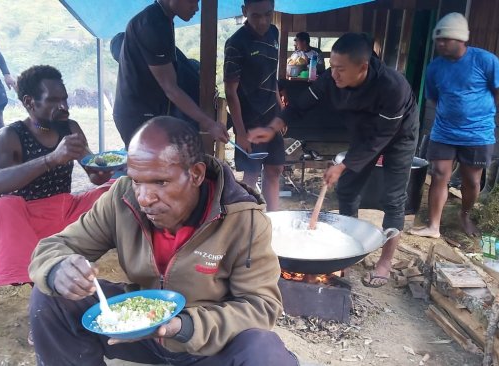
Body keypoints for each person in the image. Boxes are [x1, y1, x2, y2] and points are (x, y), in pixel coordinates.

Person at [27, 116, 298, 366]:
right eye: (136, 181)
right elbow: (55, 246)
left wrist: (183, 327)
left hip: (206, 344)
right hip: (140, 329)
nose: (144, 197)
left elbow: (260, 306)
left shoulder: (243, 220)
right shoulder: (122, 198)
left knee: (264, 351)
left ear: (196, 175)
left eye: (160, 182)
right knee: (50, 296)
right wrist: (58, 268)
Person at [249, 33, 419, 288]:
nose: (333, 74)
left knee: (393, 199)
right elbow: (300, 104)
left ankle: (385, 262)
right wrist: (274, 127)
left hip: (398, 135)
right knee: (348, 189)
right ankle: (347, 251)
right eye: (332, 67)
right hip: (363, 133)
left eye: (340, 69)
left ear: (362, 67)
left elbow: (379, 138)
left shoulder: (392, 87)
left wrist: (343, 164)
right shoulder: (332, 78)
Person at [0, 65, 114, 287]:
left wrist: (103, 170)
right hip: (27, 222)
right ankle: (36, 275)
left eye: (65, 99)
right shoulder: (10, 135)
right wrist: (51, 159)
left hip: (66, 213)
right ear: (29, 102)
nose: (64, 107)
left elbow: (95, 177)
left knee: (116, 188)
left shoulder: (70, 128)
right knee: (2, 208)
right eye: (53, 100)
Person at [409, 13, 499, 239]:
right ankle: (434, 226)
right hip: (444, 131)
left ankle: (465, 213)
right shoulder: (435, 67)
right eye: (438, 40)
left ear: (462, 39)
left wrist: (479, 111)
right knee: (439, 173)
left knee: (471, 180)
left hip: (478, 133)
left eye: (446, 40)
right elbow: (433, 96)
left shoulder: (485, 60)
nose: (440, 44)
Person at [113, 0, 229, 147]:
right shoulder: (151, 24)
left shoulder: (163, 19)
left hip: (150, 111)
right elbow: (170, 88)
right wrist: (209, 124)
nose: (196, 8)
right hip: (137, 115)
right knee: (149, 166)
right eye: (192, 1)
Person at [224, 0, 283, 211]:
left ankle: (275, 220)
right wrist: (240, 132)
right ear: (244, 12)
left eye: (268, 14)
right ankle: (248, 219)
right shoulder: (235, 43)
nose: (263, 21)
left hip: (271, 115)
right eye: (256, 16)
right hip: (249, 119)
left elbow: (272, 76)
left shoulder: (274, 33)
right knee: (251, 173)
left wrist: (280, 110)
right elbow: (230, 91)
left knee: (275, 169)